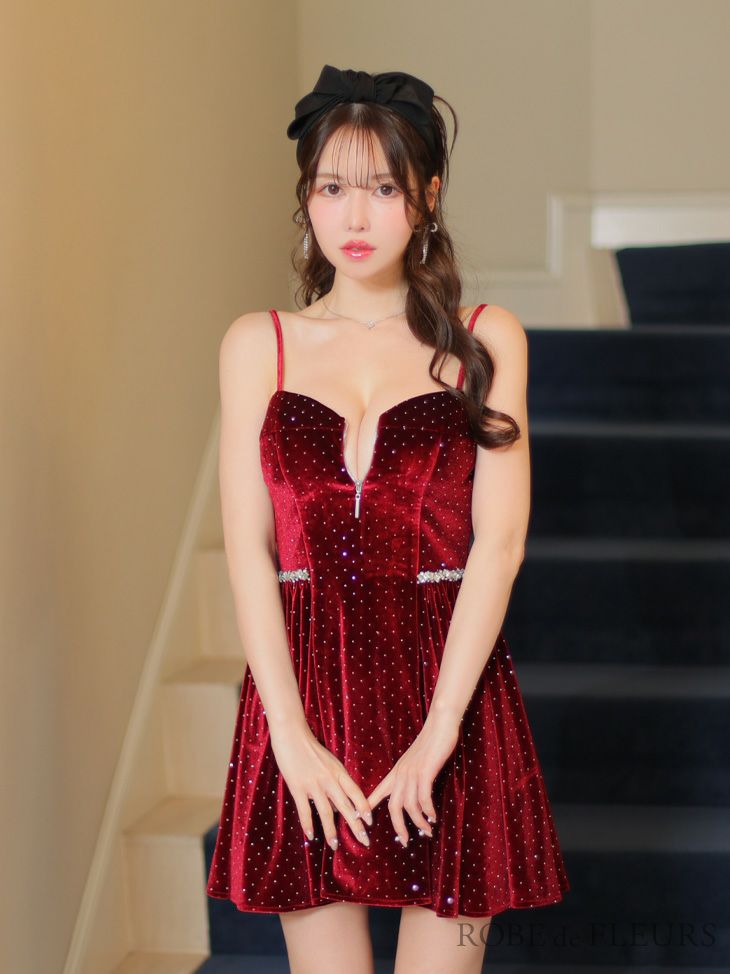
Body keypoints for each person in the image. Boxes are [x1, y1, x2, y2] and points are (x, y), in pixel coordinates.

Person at [206, 64, 570, 974]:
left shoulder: (487, 337)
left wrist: (440, 733)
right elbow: (248, 551)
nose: (355, 216)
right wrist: (289, 738)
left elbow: (500, 544)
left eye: (382, 188)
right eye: (332, 188)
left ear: (427, 198)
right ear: (306, 200)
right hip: (304, 691)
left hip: (448, 694)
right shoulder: (258, 344)